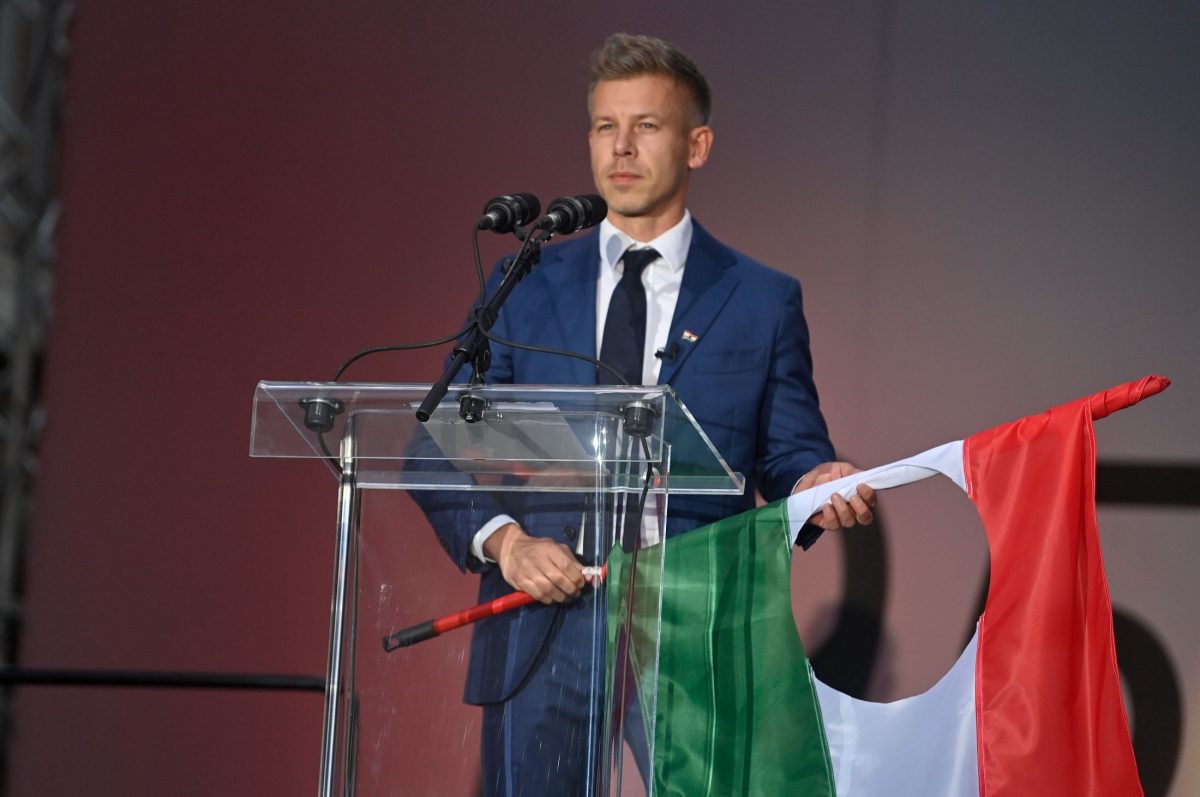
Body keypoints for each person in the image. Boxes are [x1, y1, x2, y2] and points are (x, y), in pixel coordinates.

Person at [414, 32, 875, 797]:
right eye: (605, 126)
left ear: (697, 145)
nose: (620, 147)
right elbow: (435, 442)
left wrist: (815, 481)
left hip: (695, 632)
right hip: (543, 624)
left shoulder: (761, 300)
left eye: (646, 126)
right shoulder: (524, 281)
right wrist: (507, 542)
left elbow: (790, 453)